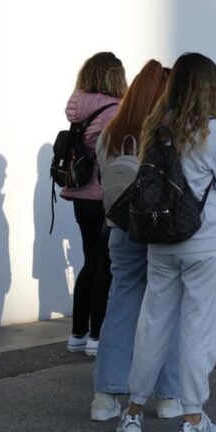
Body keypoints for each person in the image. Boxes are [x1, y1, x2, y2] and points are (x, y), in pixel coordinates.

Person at [117, 53, 216, 432]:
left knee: (153, 325)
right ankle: (192, 419)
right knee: (199, 329)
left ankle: (132, 412)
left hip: (161, 240)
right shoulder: (212, 131)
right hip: (205, 241)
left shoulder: (158, 126)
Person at [90, 60, 181, 423]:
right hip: (160, 231)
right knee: (165, 311)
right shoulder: (166, 133)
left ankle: (105, 395)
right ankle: (170, 395)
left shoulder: (110, 134)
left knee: (121, 305)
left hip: (120, 228)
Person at [62, 52, 126, 356]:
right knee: (106, 266)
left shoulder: (77, 106)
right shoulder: (114, 111)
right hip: (103, 195)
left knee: (89, 262)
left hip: (79, 195)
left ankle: (77, 332)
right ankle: (97, 335)